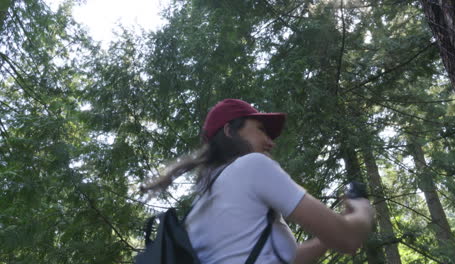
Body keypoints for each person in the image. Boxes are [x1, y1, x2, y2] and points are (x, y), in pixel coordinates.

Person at [142, 99, 374, 264]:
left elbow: (284, 258)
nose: (270, 142)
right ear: (230, 131)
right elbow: (348, 239)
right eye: (262, 130)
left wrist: (328, 234)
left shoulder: (201, 203)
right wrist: (362, 210)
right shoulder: (252, 166)